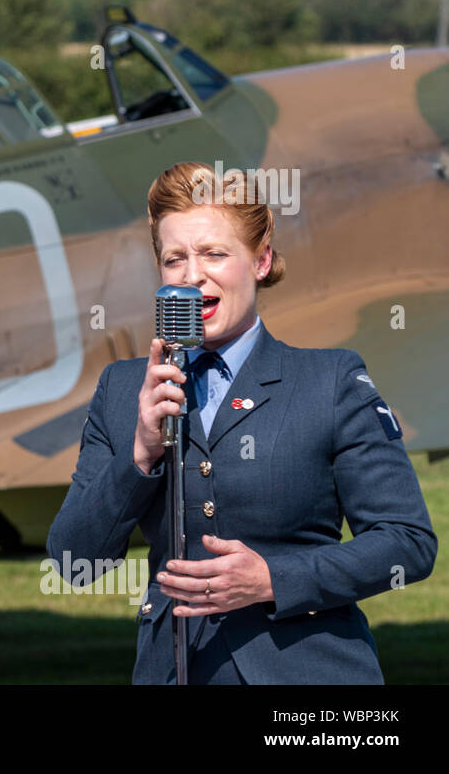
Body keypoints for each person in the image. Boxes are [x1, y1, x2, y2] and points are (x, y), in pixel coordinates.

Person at [48, 162, 436, 684]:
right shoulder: (124, 390)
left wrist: (274, 579)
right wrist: (139, 452)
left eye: (214, 254)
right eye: (174, 259)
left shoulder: (330, 381)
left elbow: (407, 541)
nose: (192, 275)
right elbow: (75, 561)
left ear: (261, 261)